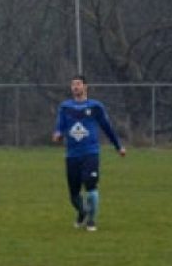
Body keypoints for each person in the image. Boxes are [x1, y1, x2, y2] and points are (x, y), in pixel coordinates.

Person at [52, 75, 126, 232]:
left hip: (90, 153)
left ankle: (91, 221)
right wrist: (57, 134)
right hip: (72, 154)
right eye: (73, 84)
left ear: (85, 87)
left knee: (91, 187)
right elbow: (60, 126)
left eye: (78, 84)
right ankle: (82, 212)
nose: (75, 87)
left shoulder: (95, 106)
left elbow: (107, 127)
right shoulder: (65, 107)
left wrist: (118, 146)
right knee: (74, 194)